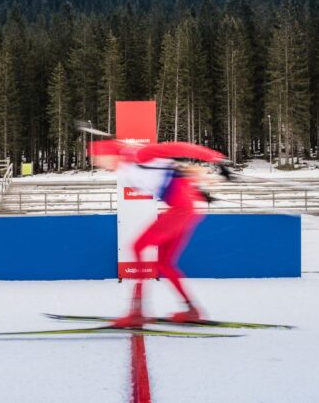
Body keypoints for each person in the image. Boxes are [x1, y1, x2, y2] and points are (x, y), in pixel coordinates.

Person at [89, 139, 228, 326]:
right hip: (187, 209)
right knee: (164, 263)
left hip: (182, 209)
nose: (96, 162)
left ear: (109, 154)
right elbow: (172, 172)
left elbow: (178, 147)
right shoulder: (125, 168)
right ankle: (191, 311)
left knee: (137, 246)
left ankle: (136, 312)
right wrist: (195, 187)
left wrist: (215, 158)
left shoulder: (138, 156)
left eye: (98, 157)